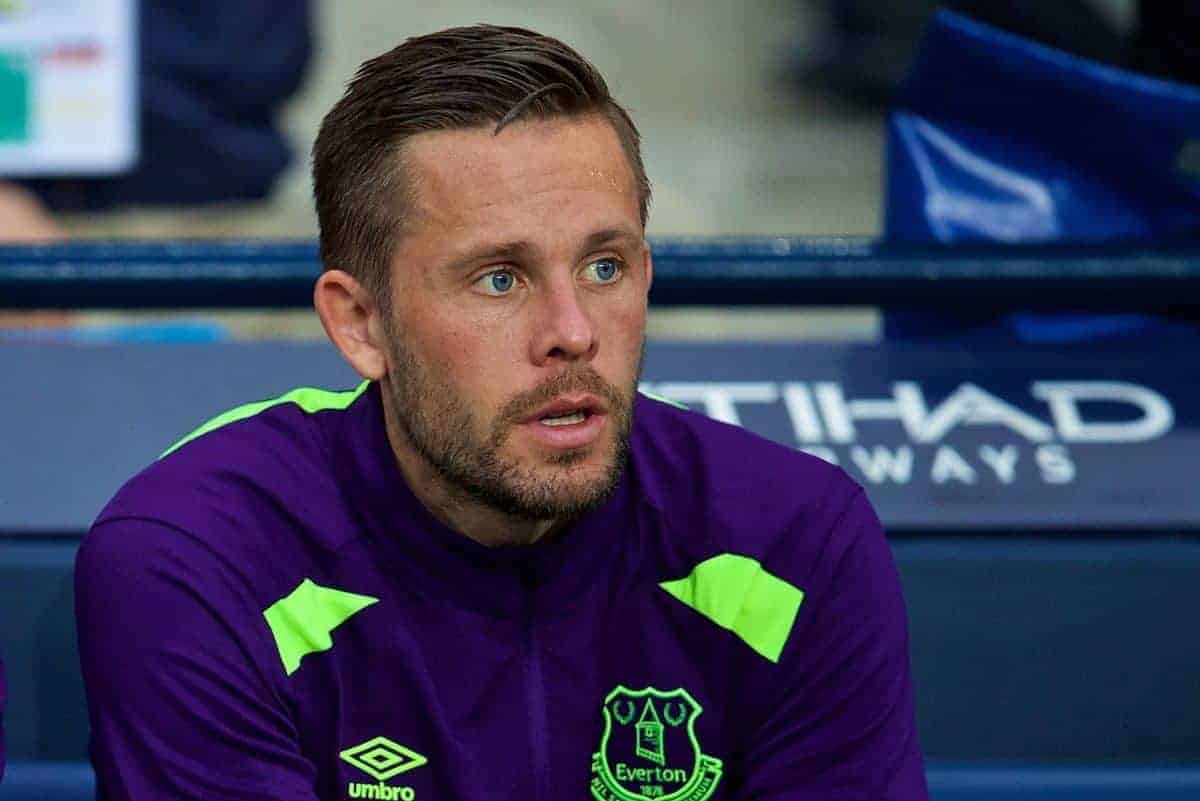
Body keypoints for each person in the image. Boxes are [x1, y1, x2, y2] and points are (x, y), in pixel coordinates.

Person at [75, 25, 927, 801]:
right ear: (361, 324)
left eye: (603, 267)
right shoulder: (199, 558)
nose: (573, 333)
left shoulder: (797, 539)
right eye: (499, 279)